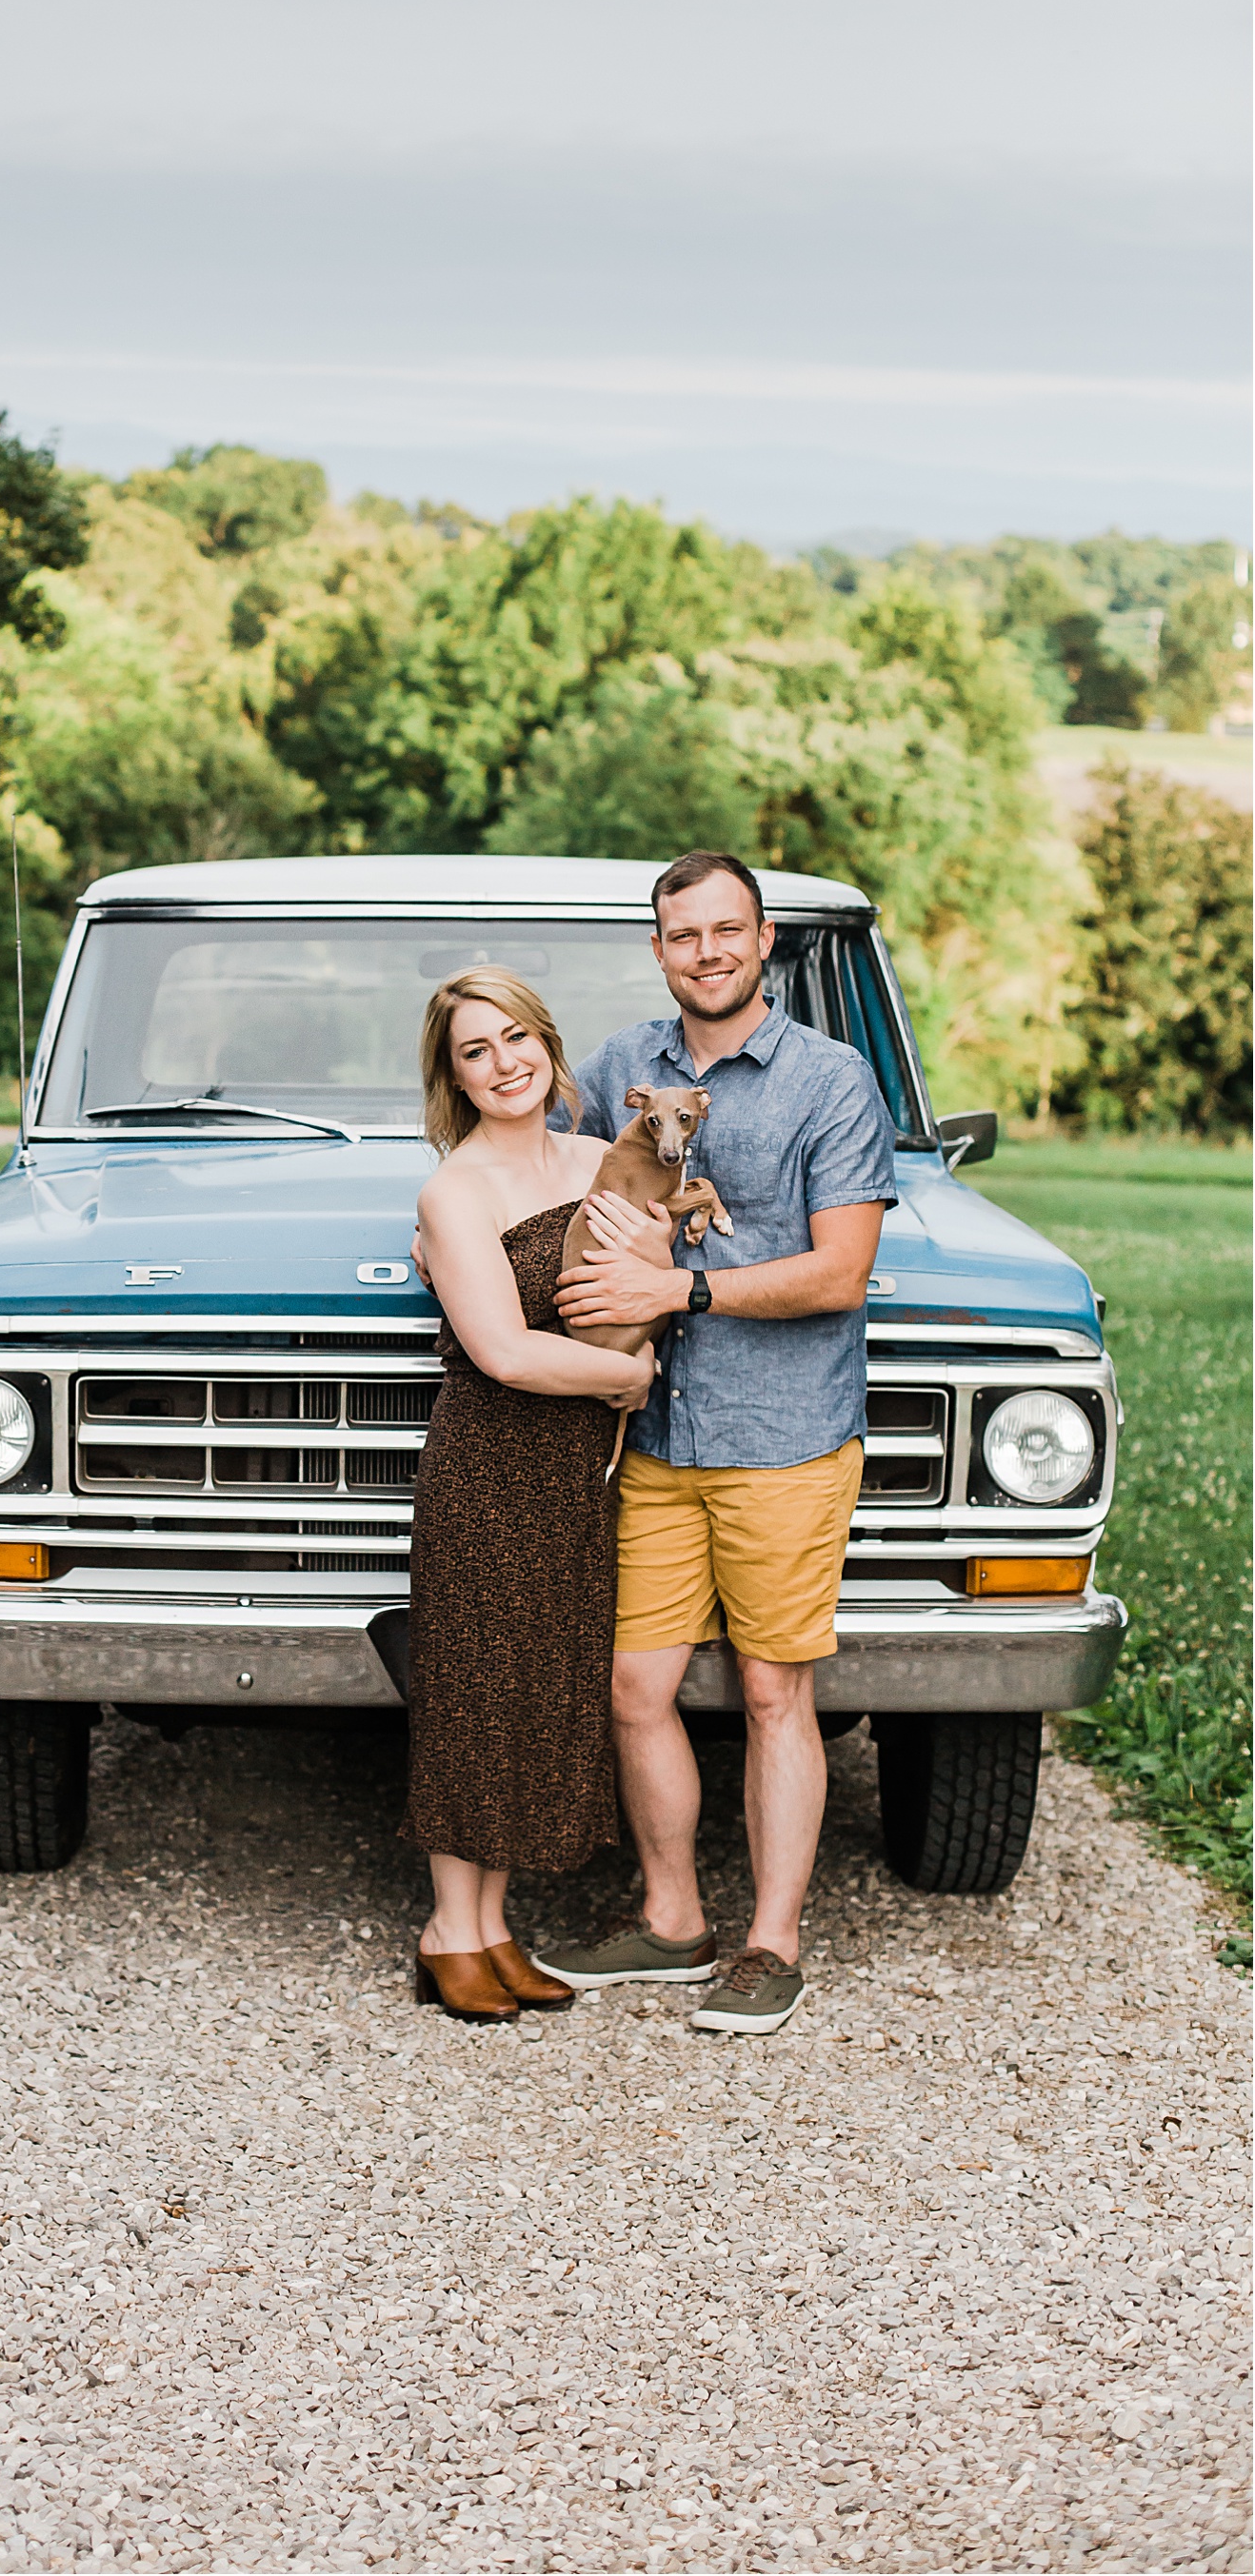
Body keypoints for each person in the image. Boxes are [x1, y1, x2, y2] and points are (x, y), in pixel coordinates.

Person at [532, 849, 896, 2036]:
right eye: (683, 934)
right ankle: (673, 1917)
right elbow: (538, 1157)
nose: (707, 952)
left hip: (780, 1436)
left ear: (762, 940)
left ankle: (770, 1943)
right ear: (658, 949)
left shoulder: (829, 1080)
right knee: (632, 1685)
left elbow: (840, 1273)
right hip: (653, 1436)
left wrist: (678, 1287)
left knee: (773, 1689)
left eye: (726, 930)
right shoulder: (620, 1066)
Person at [404, 969, 666, 2023]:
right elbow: (504, 1353)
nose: (503, 1062)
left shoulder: (601, 1161)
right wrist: (627, 1377)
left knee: (537, 1694)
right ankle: (447, 1930)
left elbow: (650, 1283)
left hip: (576, 1475)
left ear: (549, 1048)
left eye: (516, 1038)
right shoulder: (454, 1192)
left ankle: (495, 1926)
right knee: (472, 1694)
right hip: (488, 1468)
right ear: (455, 1078)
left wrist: (646, 1326)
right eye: (476, 1050)